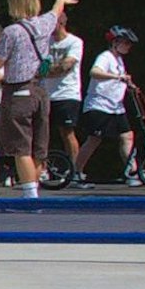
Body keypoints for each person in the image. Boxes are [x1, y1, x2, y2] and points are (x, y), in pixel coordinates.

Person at [0, 0, 77, 199]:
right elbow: (56, 11)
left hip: (17, 91)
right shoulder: (45, 24)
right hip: (40, 90)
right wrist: (62, 0)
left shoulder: (11, 32)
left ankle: (29, 196)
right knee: (38, 146)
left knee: (20, 147)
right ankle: (33, 189)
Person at [73, 25, 139, 185]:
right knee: (94, 139)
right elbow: (95, 72)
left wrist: (129, 85)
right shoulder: (105, 57)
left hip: (116, 106)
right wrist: (117, 77)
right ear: (115, 42)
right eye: (126, 43)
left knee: (127, 136)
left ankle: (133, 173)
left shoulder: (119, 60)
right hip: (99, 105)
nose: (128, 46)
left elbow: (119, 79)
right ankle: (76, 173)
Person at [45, 16, 86, 178]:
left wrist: (48, 70)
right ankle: (42, 170)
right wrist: (48, 70)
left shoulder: (74, 42)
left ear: (61, 23)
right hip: (46, 94)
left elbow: (66, 65)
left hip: (67, 93)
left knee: (67, 132)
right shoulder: (45, 42)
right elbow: (40, 67)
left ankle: (76, 170)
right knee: (42, 133)